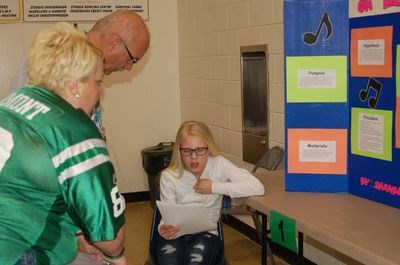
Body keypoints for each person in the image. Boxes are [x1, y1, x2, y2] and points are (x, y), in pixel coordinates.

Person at [0, 22, 127, 265]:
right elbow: (110, 239)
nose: (101, 92)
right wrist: (117, 255)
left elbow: (37, 184)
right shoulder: (73, 129)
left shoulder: (13, 101)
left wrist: (79, 233)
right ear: (75, 85)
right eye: (98, 82)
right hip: (14, 248)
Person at [157, 121, 265, 265]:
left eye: (200, 150)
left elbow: (257, 187)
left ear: (208, 149)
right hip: (176, 235)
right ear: (179, 151)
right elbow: (167, 214)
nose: (194, 157)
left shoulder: (219, 164)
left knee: (195, 261)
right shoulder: (169, 176)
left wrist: (214, 187)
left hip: (207, 234)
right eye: (187, 151)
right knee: (169, 261)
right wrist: (163, 227)